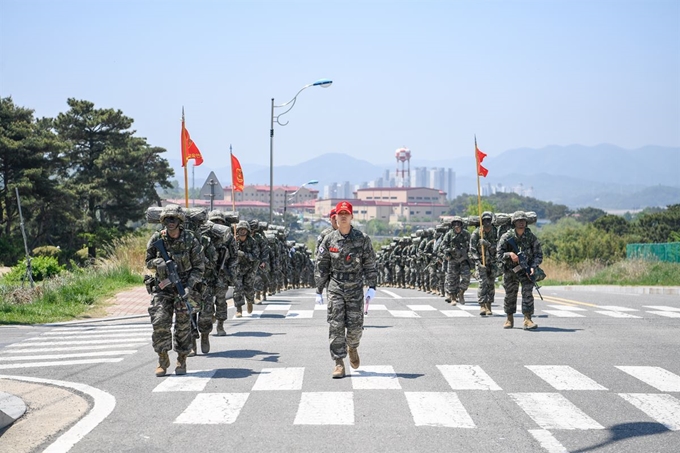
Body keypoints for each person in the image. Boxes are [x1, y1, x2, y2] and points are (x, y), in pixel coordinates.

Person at [315, 201, 378, 379]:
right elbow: (322, 266)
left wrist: (372, 287)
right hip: (335, 286)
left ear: (351, 216)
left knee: (355, 327)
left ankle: (353, 346)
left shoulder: (362, 238)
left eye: (346, 213)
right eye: (340, 213)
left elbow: (370, 264)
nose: (343, 216)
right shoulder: (329, 239)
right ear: (335, 217)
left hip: (355, 288)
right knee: (336, 325)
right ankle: (338, 363)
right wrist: (319, 289)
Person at [145, 204, 205, 376]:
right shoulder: (157, 238)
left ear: (180, 221)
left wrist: (188, 286)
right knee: (159, 322)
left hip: (184, 288)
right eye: (167, 219)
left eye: (174, 219)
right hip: (163, 288)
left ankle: (181, 359)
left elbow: (199, 267)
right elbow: (148, 261)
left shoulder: (190, 239)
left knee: (183, 326)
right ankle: (163, 360)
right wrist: (159, 263)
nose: (170, 222)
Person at [496, 211, 543, 330]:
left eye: (523, 221)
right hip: (511, 270)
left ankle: (527, 319)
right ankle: (509, 318)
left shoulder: (531, 237)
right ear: (514, 222)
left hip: (526, 271)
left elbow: (538, 254)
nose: (521, 223)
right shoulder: (507, 237)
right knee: (510, 295)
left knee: (527, 293)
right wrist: (510, 254)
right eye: (518, 221)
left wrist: (533, 266)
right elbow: (498, 254)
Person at [469, 211, 499, 316]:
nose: (487, 222)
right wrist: (477, 262)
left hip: (493, 262)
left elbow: (500, 247)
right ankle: (482, 305)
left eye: (489, 220)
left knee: (491, 283)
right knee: (482, 283)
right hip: (481, 262)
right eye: (484, 220)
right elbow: (472, 250)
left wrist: (488, 244)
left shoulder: (496, 232)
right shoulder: (477, 233)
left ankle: (489, 305)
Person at [442, 216, 472, 305]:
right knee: (452, 280)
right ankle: (453, 298)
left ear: (461, 225)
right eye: (455, 224)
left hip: (463, 259)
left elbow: (471, 245)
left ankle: (461, 292)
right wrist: (449, 251)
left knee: (467, 277)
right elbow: (443, 246)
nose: (456, 226)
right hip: (453, 259)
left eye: (458, 224)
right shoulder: (449, 234)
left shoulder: (466, 234)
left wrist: (469, 255)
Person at [233, 220, 258, 318]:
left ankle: (250, 301)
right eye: (241, 230)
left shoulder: (252, 242)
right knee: (237, 289)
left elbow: (255, 257)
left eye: (244, 230)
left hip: (249, 269)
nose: (242, 232)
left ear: (247, 231)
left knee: (249, 288)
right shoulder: (234, 241)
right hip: (237, 269)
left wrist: (244, 255)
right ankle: (239, 309)